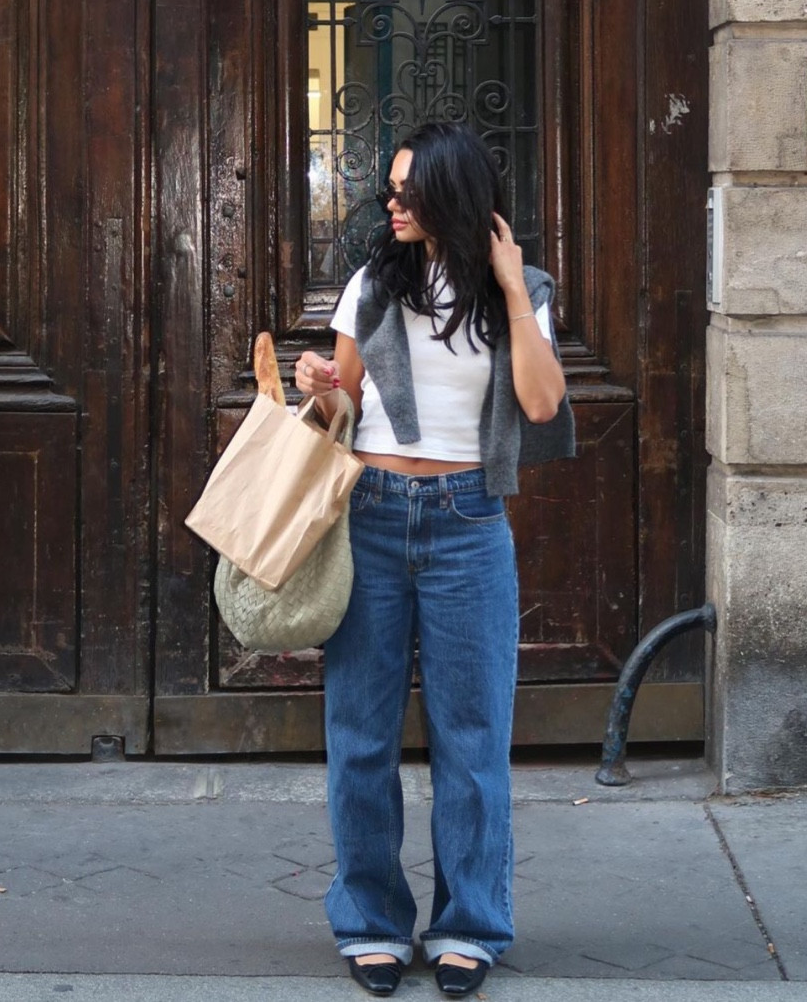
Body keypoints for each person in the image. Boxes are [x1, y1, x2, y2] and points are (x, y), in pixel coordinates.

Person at [295, 120, 575, 998]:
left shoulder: (516, 290)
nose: (392, 200)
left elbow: (538, 400)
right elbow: (343, 405)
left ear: (454, 193)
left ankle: (470, 922)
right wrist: (316, 385)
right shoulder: (371, 285)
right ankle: (371, 920)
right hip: (372, 517)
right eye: (390, 187)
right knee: (361, 735)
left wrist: (511, 290)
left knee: (472, 736)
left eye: (408, 188)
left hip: (467, 523)